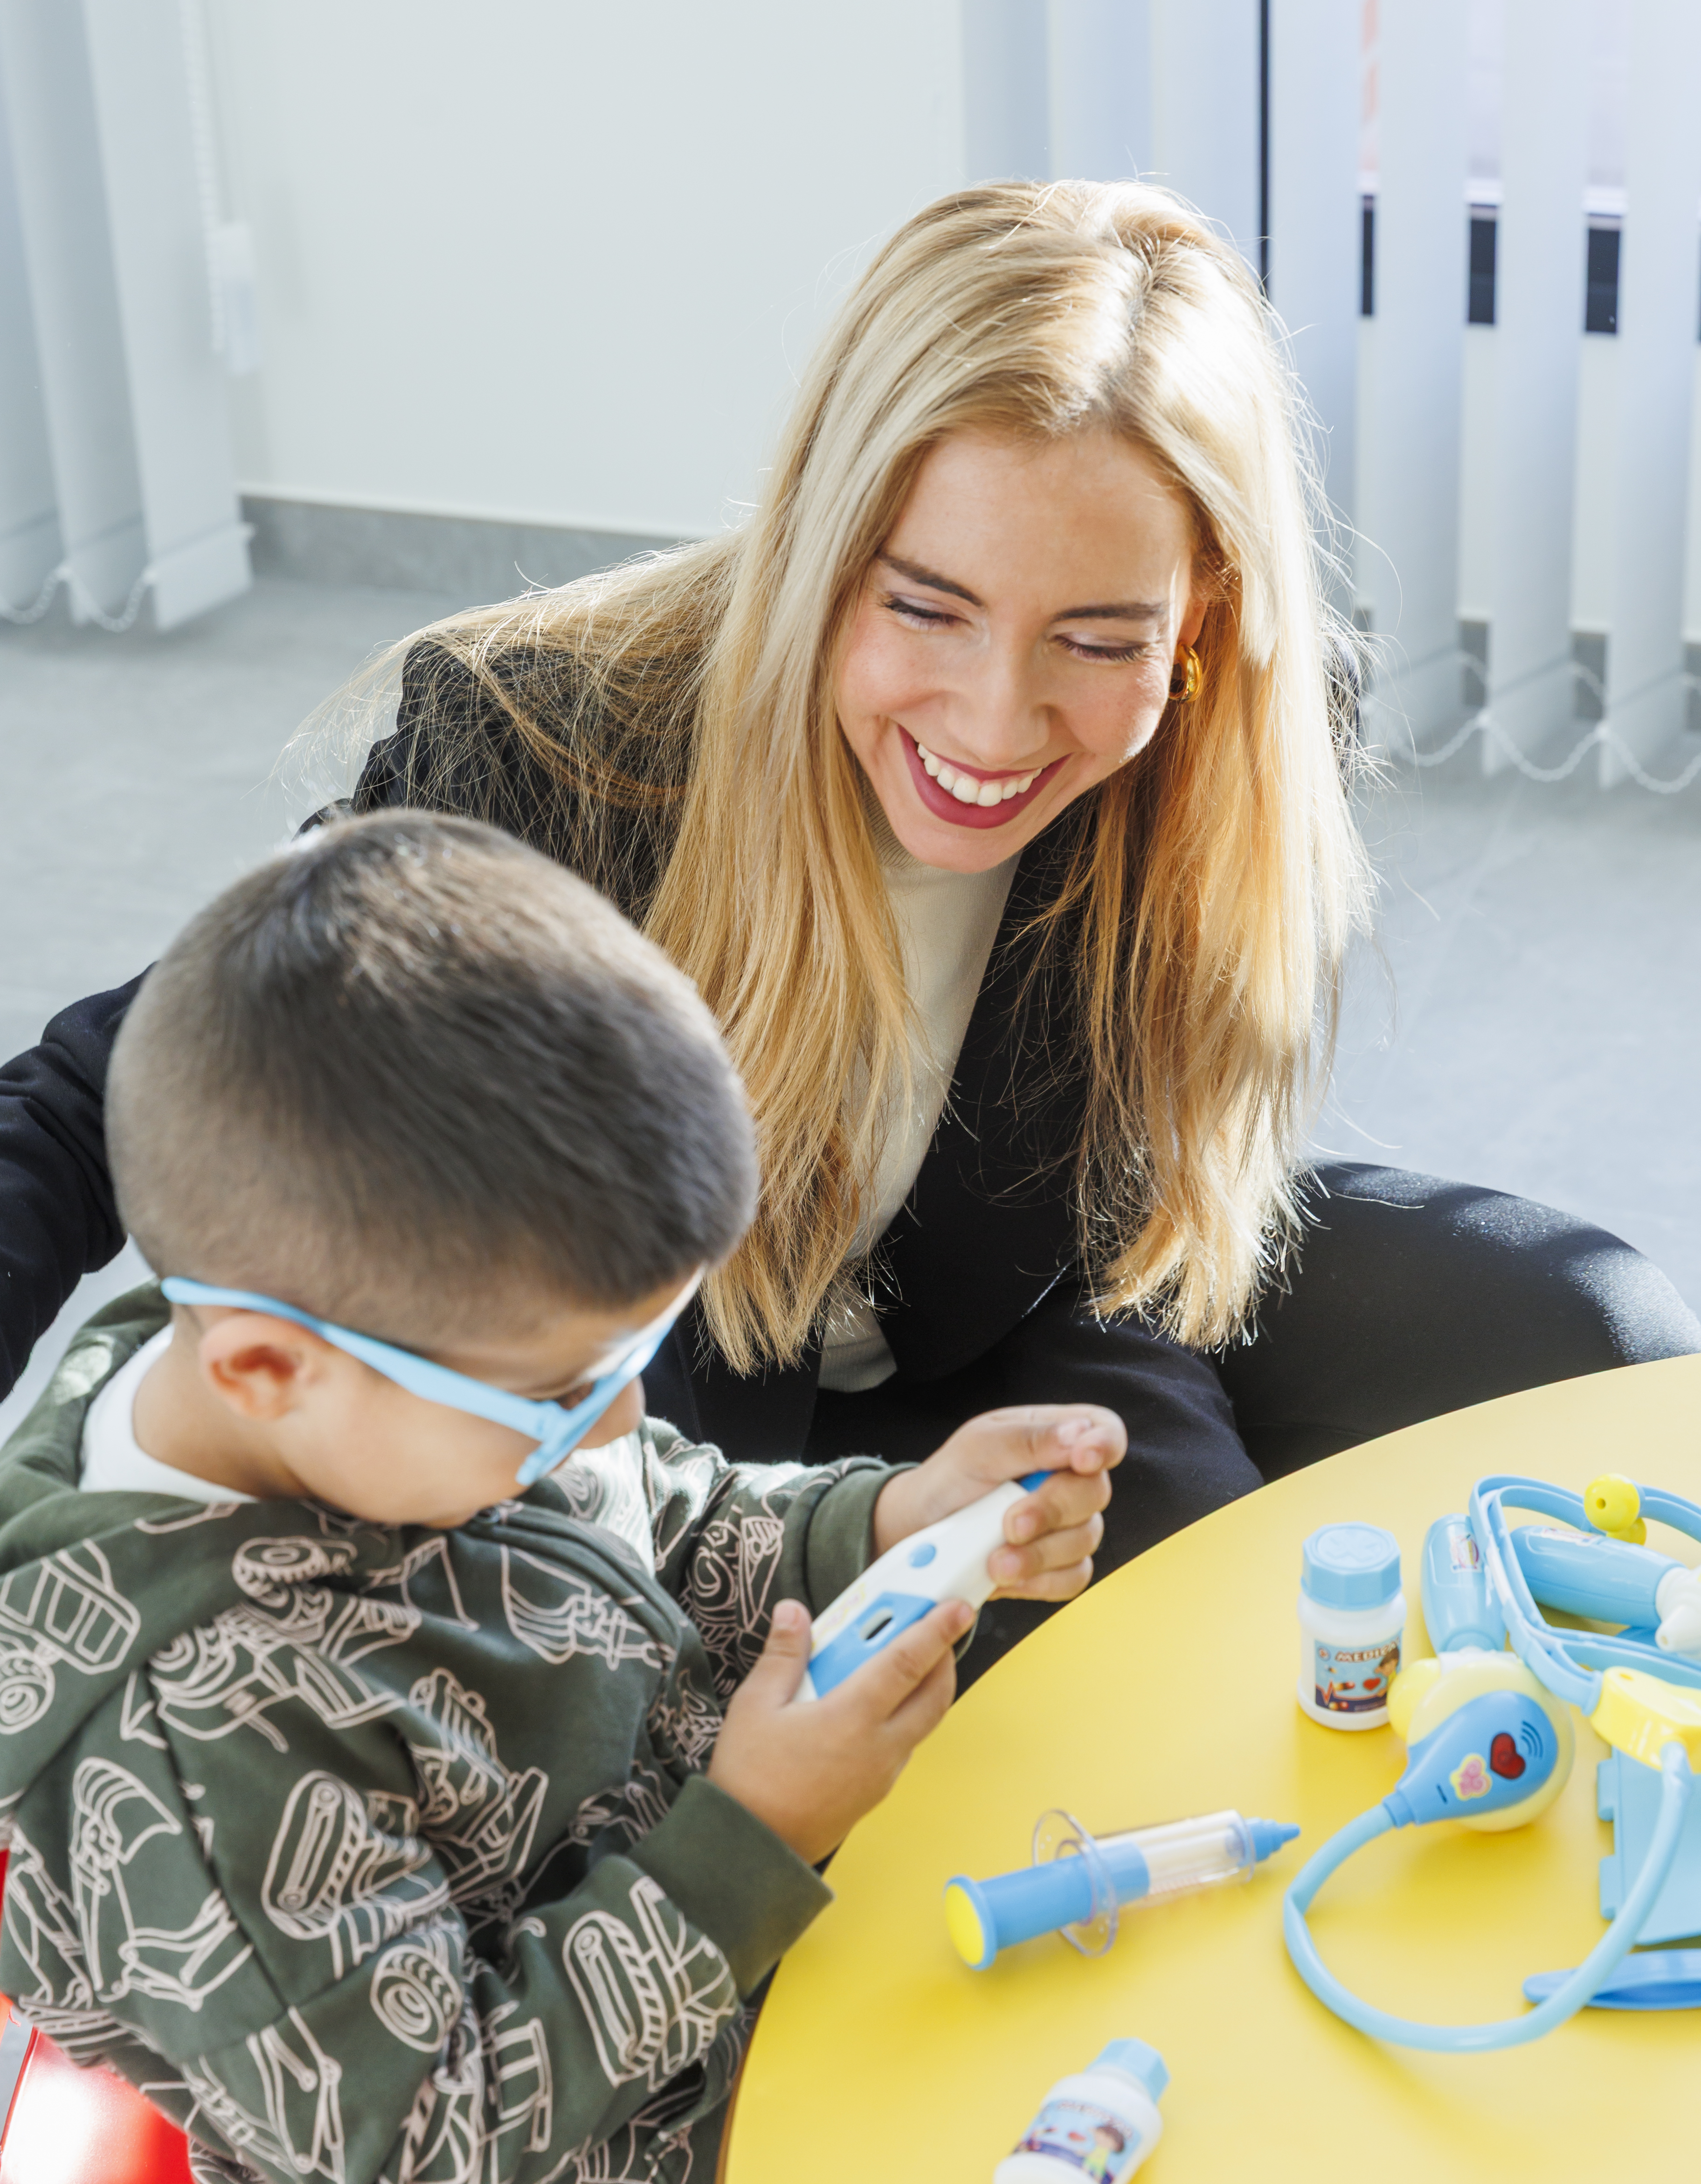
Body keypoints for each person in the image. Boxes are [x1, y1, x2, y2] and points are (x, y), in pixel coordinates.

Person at [1, 182, 1695, 1678]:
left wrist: (1158, 1497)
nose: (998, 719)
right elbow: (111, 1097)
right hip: (670, 1393)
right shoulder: (544, 748)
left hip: (1039, 1301)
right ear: (823, 551)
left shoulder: (1228, 734)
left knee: (1589, 1336)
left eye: (1098, 638)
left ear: (1202, 629)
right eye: (926, 606)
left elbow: (1126, 1232)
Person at [0, 812, 1118, 2184]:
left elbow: (629, 1522)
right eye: (562, 1391)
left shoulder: (352, 1391)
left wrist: (879, 1524)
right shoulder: (191, 1758)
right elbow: (435, 2141)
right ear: (266, 1368)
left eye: (638, 1355)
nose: (624, 1416)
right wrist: (753, 1839)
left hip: (755, 1927)